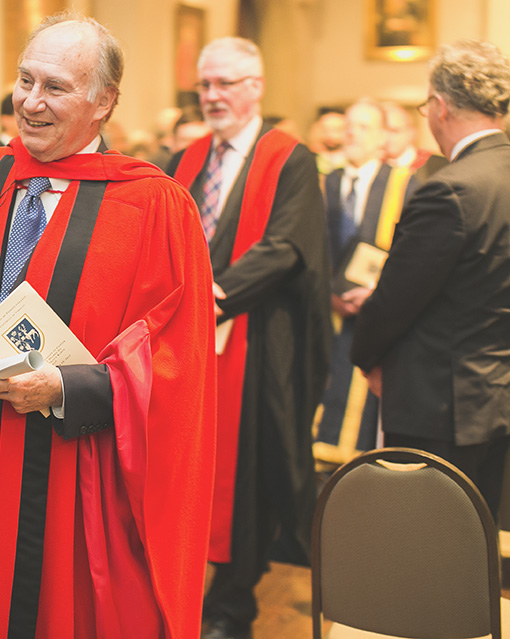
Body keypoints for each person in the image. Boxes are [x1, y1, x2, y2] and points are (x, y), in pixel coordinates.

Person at [0, 12, 216, 639]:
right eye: (25, 81)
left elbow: (176, 360)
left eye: (54, 87)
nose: (30, 102)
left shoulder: (154, 206)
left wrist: (66, 388)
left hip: (65, 477)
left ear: (103, 102)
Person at [167, 37, 330, 639]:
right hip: (187, 343)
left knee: (246, 471)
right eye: (204, 85)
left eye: (225, 84)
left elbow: (286, 246)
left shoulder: (290, 159)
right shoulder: (182, 160)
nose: (212, 96)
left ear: (256, 87)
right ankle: (179, 590)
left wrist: (213, 296)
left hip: (257, 340)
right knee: (184, 463)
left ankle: (233, 606)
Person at [351, 39, 510, 521]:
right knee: (480, 540)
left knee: (425, 541)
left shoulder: (451, 188)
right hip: (497, 393)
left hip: (438, 402)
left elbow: (395, 301)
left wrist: (365, 355)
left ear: (440, 106)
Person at [313, 98, 417, 467]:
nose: (352, 134)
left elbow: (414, 251)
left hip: (377, 312)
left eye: (363, 127)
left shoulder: (405, 185)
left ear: (382, 138)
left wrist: (377, 293)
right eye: (349, 127)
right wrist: (327, 292)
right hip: (326, 312)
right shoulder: (323, 183)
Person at [381, 100, 448, 182]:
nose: (386, 137)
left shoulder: (439, 166)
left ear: (411, 132)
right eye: (382, 131)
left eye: (394, 131)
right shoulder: (374, 166)